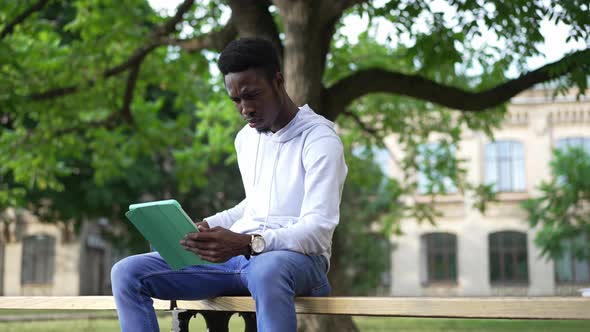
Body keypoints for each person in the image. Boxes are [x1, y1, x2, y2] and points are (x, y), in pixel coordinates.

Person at [110, 37, 348, 332]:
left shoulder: (320, 140)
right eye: (236, 99)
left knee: (266, 269)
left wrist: (248, 243)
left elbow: (318, 232)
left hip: (298, 262)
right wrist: (203, 227)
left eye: (252, 95)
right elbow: (254, 205)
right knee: (127, 272)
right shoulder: (246, 139)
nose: (245, 108)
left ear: (278, 81)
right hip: (237, 260)